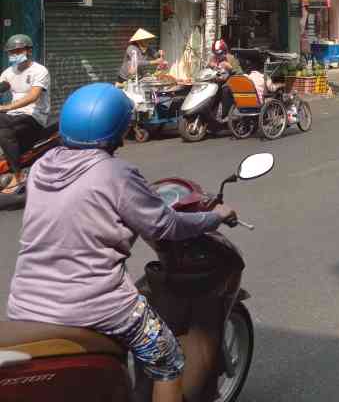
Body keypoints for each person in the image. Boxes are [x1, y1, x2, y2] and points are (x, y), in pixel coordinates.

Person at [6, 83, 237, 402]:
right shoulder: (116, 174)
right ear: (119, 129)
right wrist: (215, 217)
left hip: (26, 301)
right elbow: (165, 225)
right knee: (168, 359)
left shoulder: (41, 167)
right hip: (95, 304)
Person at [0, 35, 50, 196]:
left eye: (18, 51)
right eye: (11, 52)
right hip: (14, 115)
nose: (14, 54)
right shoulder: (8, 73)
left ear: (28, 51)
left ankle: (18, 176)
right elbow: (3, 86)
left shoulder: (39, 71)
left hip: (35, 115)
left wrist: (5, 107)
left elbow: (33, 96)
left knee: (2, 125)